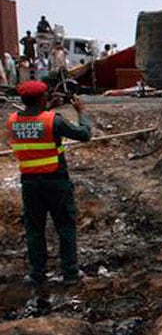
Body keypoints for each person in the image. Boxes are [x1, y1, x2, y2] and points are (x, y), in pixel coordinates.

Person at [6, 80, 92, 290]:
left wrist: (48, 107)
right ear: (41, 98)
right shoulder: (53, 121)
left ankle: (37, 274)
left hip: (29, 183)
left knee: (35, 229)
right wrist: (82, 112)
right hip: (56, 181)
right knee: (65, 225)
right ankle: (70, 273)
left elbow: (33, 121)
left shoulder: (12, 121)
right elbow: (85, 134)